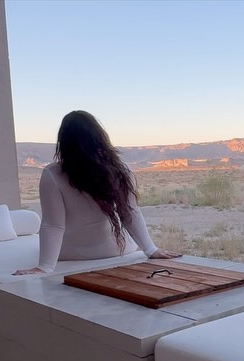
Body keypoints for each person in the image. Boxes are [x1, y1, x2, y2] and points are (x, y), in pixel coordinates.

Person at [13, 111, 181, 276]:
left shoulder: (53, 174)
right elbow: (130, 212)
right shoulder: (120, 169)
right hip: (119, 250)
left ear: (63, 143)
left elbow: (53, 225)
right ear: (100, 138)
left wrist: (45, 267)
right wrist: (150, 249)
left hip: (72, 255)